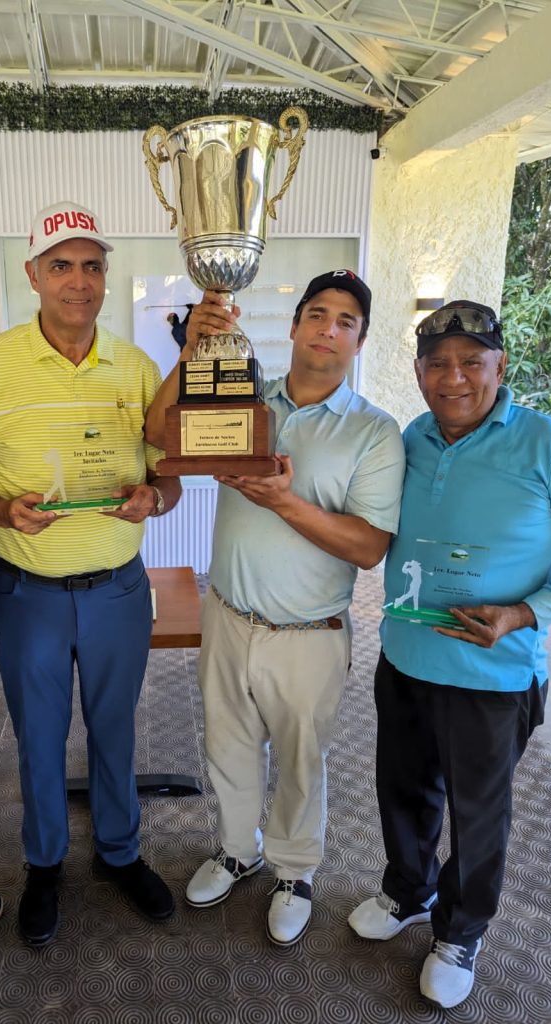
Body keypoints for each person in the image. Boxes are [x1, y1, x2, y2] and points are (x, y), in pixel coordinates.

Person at [145, 269, 405, 946]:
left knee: (300, 760)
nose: (327, 329)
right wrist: (191, 351)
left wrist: (284, 501)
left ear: (359, 340)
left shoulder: (375, 432)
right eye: (316, 314)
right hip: (229, 614)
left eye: (345, 321)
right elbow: (159, 432)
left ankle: (293, 871)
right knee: (227, 747)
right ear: (293, 325)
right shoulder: (244, 398)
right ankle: (239, 851)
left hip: (309, 632)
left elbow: (369, 547)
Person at [0, 200, 182, 946]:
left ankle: (119, 852)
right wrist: (0, 511)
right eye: (61, 266)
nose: (78, 281)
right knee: (38, 735)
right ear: (33, 276)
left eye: (90, 266)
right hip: (28, 593)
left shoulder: (137, 368)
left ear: (105, 276)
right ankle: (44, 863)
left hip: (116, 589)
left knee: (115, 728)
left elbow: (170, 476)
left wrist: (154, 498)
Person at [348, 301, 551, 1009]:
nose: (453, 377)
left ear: (501, 365)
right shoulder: (412, 437)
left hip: (493, 670)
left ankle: (461, 931)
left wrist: (522, 614)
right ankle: (409, 891)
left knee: (478, 813)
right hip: (406, 655)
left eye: (471, 361)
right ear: (417, 372)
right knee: (402, 790)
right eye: (436, 363)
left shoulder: (543, 441)